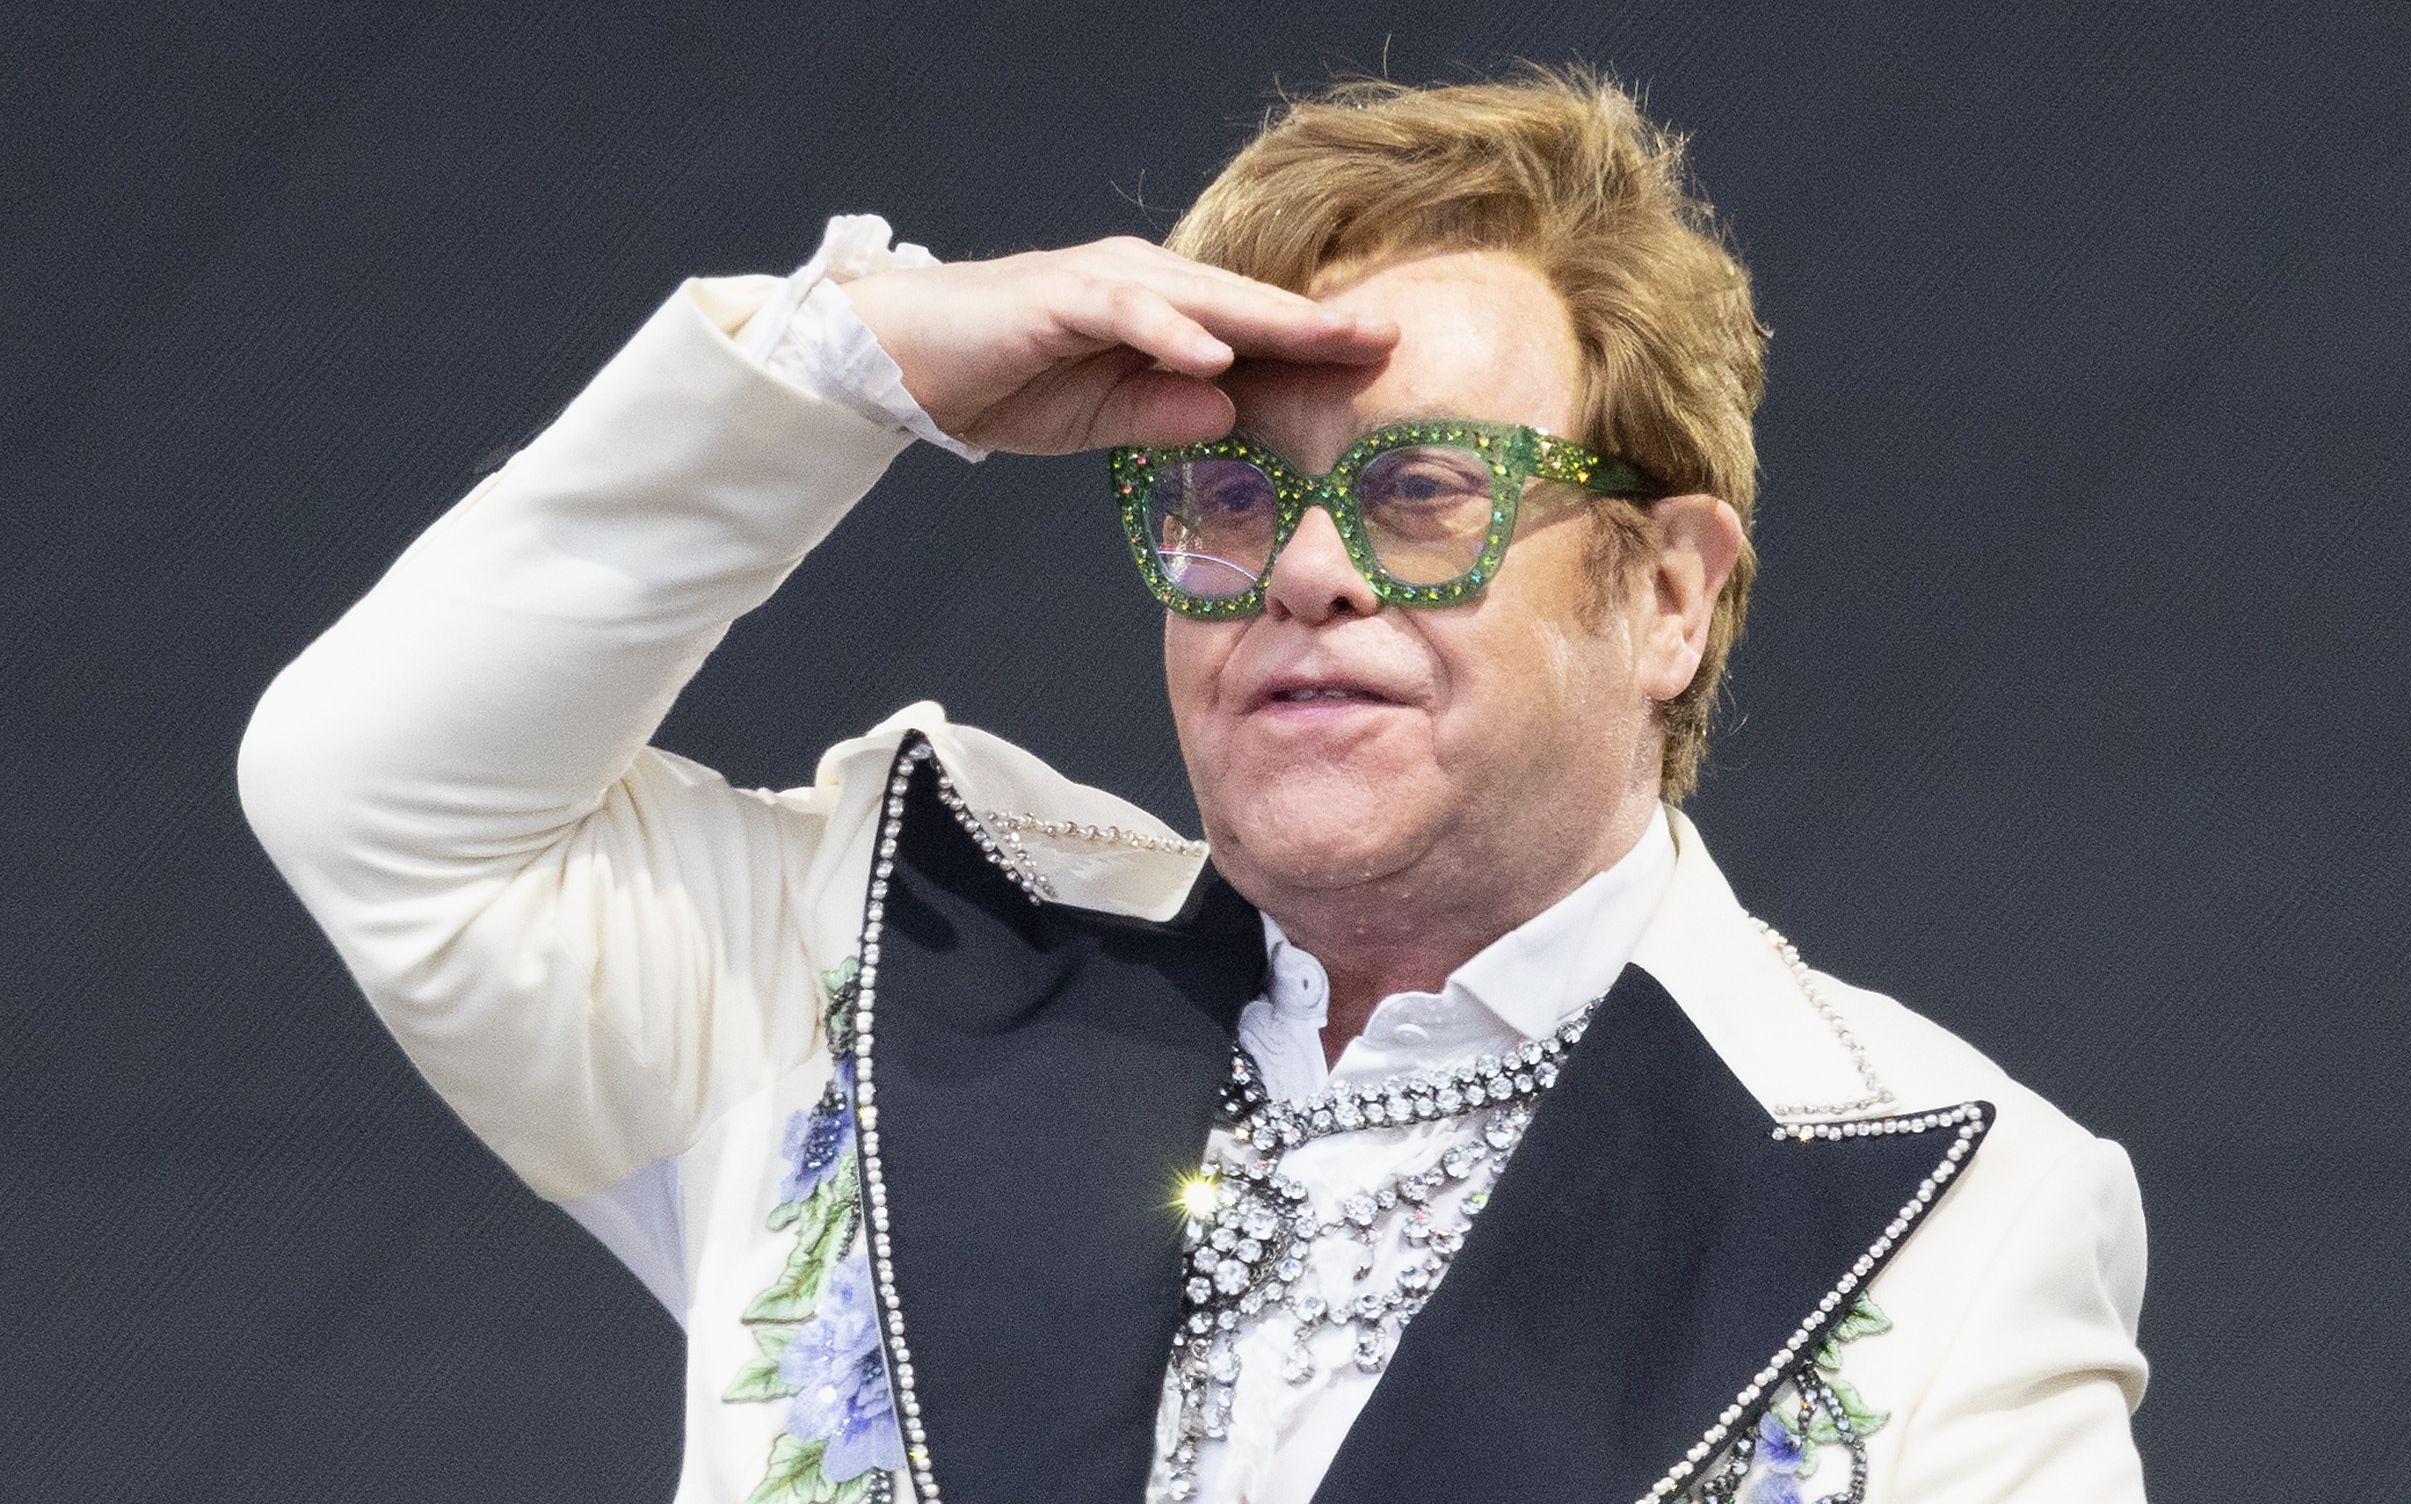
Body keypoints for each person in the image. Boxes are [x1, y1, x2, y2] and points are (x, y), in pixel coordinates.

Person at [239, 68, 2148, 1504]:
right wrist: (848, 374)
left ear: (1664, 595)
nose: (1307, 567)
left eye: (1420, 492)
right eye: (1232, 498)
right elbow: (374, 795)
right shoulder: (889, 961)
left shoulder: (1950, 1210)